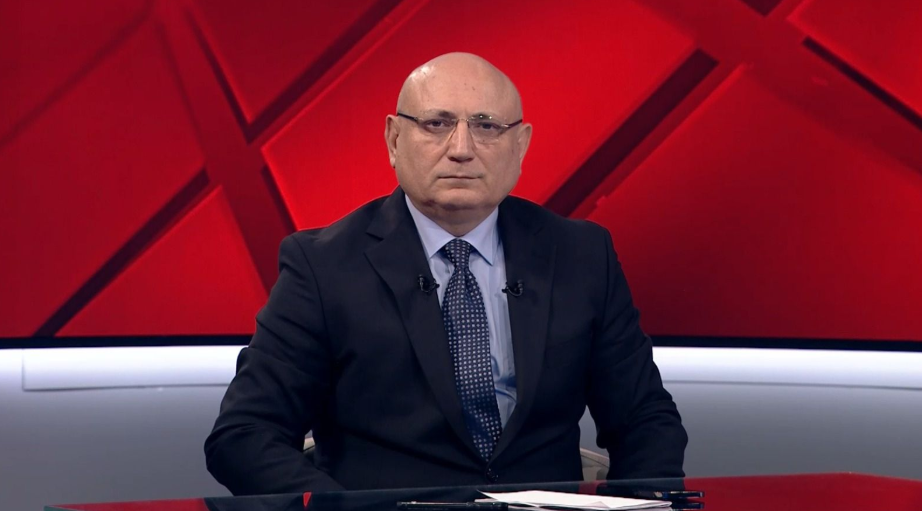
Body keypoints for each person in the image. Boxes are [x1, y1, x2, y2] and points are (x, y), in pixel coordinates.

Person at [205, 52, 687, 495]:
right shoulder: (323, 266)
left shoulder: (582, 254)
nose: (461, 149)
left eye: (486, 126)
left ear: (520, 145)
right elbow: (245, 434)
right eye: (436, 124)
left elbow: (645, 420)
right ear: (395, 140)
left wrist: (638, 506)